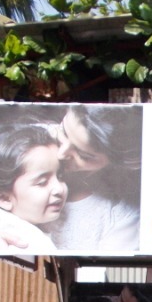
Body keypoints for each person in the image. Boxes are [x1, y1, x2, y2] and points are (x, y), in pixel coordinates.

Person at [45, 104, 143, 252]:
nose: (62, 153)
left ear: (115, 163)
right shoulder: (22, 140)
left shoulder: (122, 216)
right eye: (63, 131)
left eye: (83, 155)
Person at [0, 124, 65, 254]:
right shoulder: (23, 242)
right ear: (5, 198)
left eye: (60, 176)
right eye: (42, 182)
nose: (59, 189)